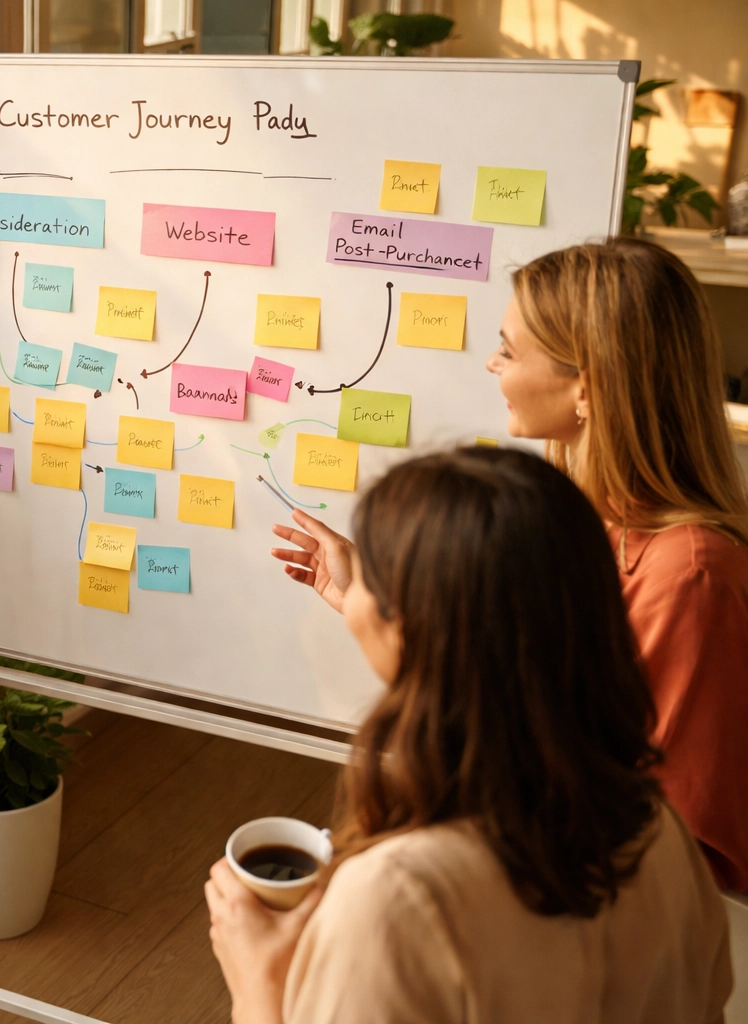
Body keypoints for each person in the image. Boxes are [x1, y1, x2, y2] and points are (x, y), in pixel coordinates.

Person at [272, 237, 748, 891]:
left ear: (589, 384)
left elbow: (672, 840)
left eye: (510, 349)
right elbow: (518, 709)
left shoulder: (690, 577)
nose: (492, 364)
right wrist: (368, 605)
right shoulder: (578, 524)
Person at [212, 448, 731, 1023]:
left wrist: (256, 983)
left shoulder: (395, 899)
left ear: (407, 622)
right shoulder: (659, 834)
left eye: (375, 577)